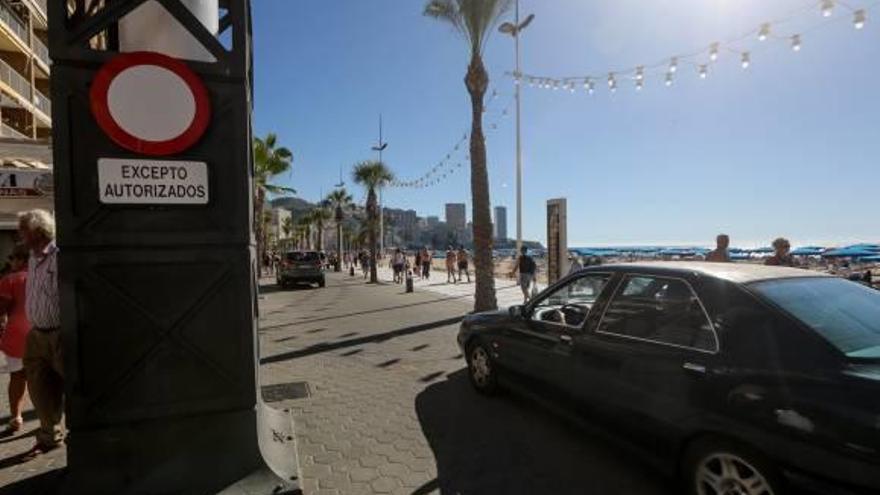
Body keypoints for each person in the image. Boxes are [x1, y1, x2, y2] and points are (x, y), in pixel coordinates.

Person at [19, 210, 63, 460]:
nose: (20, 236)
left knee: (77, 388)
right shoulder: (33, 257)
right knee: (39, 389)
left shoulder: (59, 255)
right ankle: (49, 436)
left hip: (60, 334)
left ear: (36, 232)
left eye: (23, 231)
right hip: (36, 335)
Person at [0, 245, 31, 437]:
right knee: (44, 379)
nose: (10, 261)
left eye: (12, 257)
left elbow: (1, 309)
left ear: (21, 259)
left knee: (18, 377)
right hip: (43, 332)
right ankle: (48, 421)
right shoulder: (43, 277)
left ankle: (16, 417)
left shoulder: (9, 280)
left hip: (17, 335)